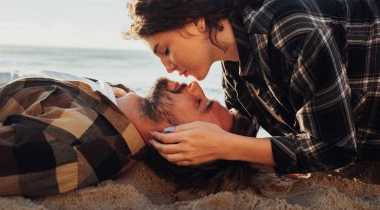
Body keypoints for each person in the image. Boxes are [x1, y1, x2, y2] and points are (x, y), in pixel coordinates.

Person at [126, 0, 380, 176]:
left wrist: (225, 146)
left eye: (166, 50)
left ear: (196, 22)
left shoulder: (288, 29)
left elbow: (335, 149)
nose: (168, 67)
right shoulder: (237, 79)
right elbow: (244, 141)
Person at [0, 70, 256, 197]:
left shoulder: (81, 144)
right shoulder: (122, 99)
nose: (196, 86)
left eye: (201, 103)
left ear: (183, 142)